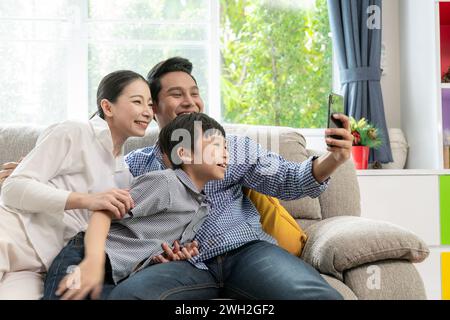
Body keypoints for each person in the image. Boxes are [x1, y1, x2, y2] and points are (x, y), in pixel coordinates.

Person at [1, 57, 353, 299]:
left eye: (194, 92)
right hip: (181, 266)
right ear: (152, 108)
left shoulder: (233, 148)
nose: (190, 101)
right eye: (176, 94)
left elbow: (291, 179)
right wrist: (37, 171)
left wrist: (333, 158)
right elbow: (99, 199)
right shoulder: (134, 165)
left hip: (243, 250)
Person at [0, 70, 156, 299]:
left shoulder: (125, 177)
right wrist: (87, 200)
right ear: (108, 107)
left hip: (39, 267)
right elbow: (13, 188)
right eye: (137, 101)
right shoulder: (75, 132)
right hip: (12, 236)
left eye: (150, 105)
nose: (147, 112)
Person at [43, 113, 228, 300]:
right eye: (216, 147)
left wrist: (174, 256)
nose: (226, 154)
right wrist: (93, 260)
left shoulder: (202, 206)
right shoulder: (166, 182)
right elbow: (103, 211)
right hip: (87, 256)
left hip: (118, 275)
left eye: (226, 148)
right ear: (184, 153)